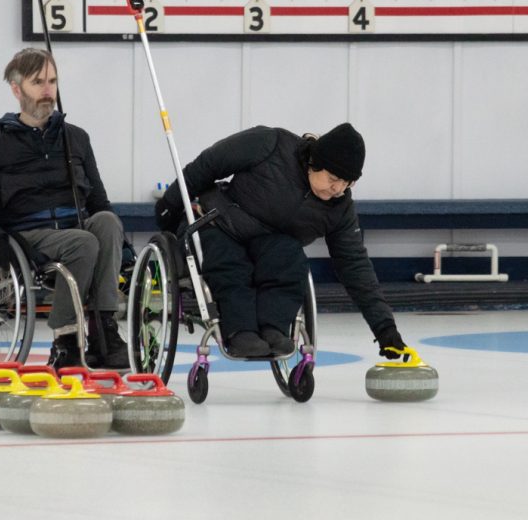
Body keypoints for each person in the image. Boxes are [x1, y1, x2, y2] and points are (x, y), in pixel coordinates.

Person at [154, 123, 406, 359]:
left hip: (271, 243)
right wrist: (170, 206)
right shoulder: (270, 144)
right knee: (231, 264)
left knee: (291, 263)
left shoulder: (339, 209)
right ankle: (241, 332)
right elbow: (207, 165)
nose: (338, 189)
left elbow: (355, 266)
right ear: (315, 163)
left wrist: (385, 329)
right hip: (221, 223)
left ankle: (273, 329)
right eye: (333, 179)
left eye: (347, 183)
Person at [0, 48, 128, 370]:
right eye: (38, 82)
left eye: (52, 81)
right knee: (84, 242)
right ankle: (65, 339)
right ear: (16, 88)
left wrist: (123, 247)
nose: (48, 90)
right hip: (28, 234)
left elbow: (99, 203)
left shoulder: (76, 138)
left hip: (74, 226)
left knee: (106, 221)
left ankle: (104, 332)